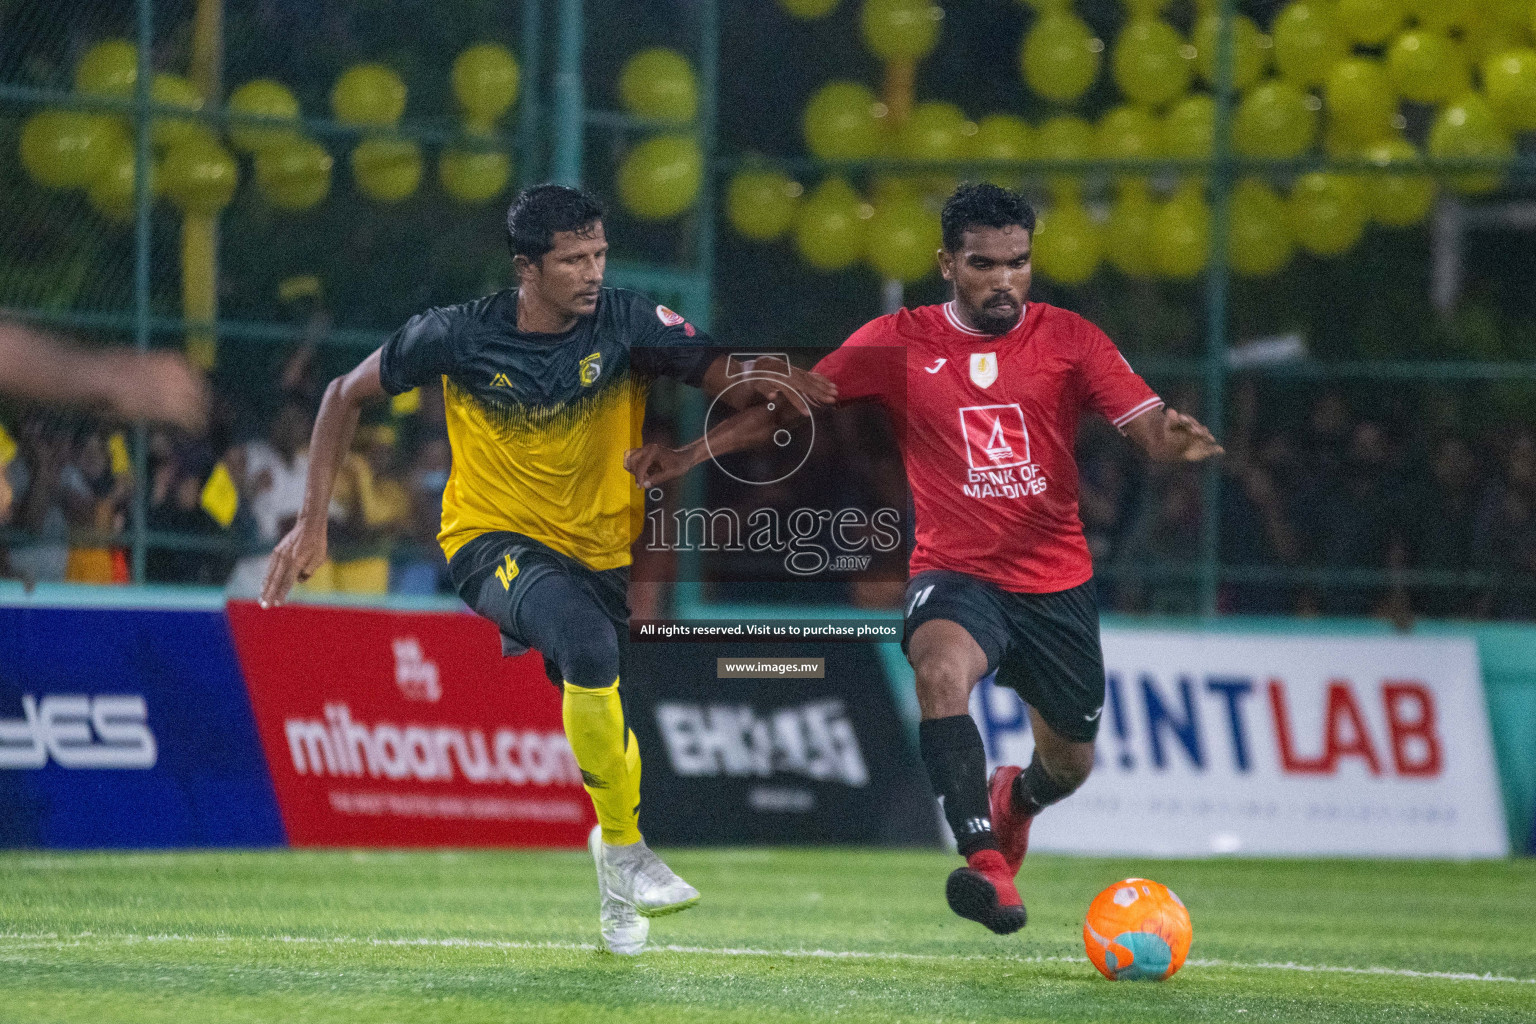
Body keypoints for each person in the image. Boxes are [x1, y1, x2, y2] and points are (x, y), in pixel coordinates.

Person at [626, 182, 1221, 935]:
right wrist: (686, 454)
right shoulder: (896, 342)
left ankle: (1017, 802)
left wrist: (1178, 443)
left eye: (1018, 262)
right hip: (955, 572)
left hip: (1056, 583)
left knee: (1068, 765)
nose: (1004, 279)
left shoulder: (1072, 339)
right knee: (940, 671)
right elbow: (786, 406)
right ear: (947, 263)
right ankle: (984, 862)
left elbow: (1148, 428)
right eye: (984, 263)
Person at [256, 184, 834, 955]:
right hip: (487, 544)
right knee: (591, 650)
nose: (593, 271)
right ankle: (631, 852)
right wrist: (311, 520)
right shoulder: (456, 335)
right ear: (528, 268)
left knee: (605, 707)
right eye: (574, 260)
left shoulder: (630, 323)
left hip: (597, 555)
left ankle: (613, 864)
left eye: (599, 254)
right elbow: (341, 394)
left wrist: (765, 381)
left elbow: (726, 372)